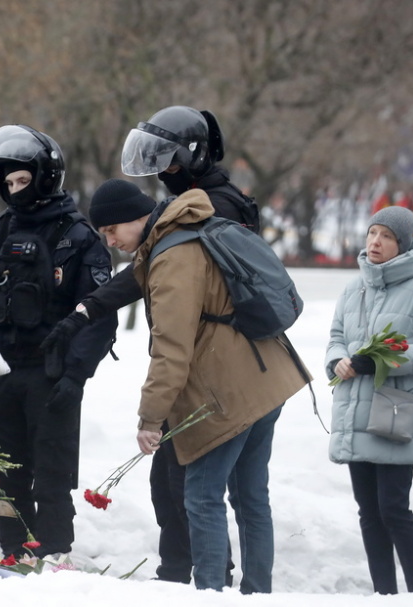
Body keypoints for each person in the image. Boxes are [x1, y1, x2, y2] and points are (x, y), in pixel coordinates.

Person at [41, 106, 257, 585]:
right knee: (176, 484)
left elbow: (175, 321)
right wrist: (83, 313)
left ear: (191, 157)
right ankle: (185, 573)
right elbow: (137, 277)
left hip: (213, 367)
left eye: (169, 164)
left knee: (201, 489)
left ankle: (207, 578)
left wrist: (150, 415)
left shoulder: (207, 211)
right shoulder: (181, 215)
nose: (163, 175)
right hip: (198, 367)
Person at [104, 185, 306, 593]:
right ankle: (257, 594)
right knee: (251, 496)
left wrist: (150, 418)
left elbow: (171, 350)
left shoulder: (172, 257)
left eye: (112, 229)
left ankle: (211, 593)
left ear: (140, 217)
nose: (110, 241)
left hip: (230, 391)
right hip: (268, 376)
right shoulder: (191, 230)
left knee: (201, 495)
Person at [0, 124, 117, 559]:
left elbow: (99, 316)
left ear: (45, 176)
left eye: (22, 180)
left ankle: (54, 555)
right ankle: (11, 553)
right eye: (8, 182)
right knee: (2, 473)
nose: (15, 189)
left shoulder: (78, 238)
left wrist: (75, 375)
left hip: (52, 376)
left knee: (52, 475)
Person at [325, 206, 413, 594]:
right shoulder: (354, 289)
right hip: (354, 410)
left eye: (385, 236)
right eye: (372, 234)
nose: (375, 242)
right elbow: (336, 336)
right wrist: (338, 361)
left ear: (401, 243)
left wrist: (381, 360)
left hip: (395, 411)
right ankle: (385, 594)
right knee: (369, 513)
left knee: (393, 509)